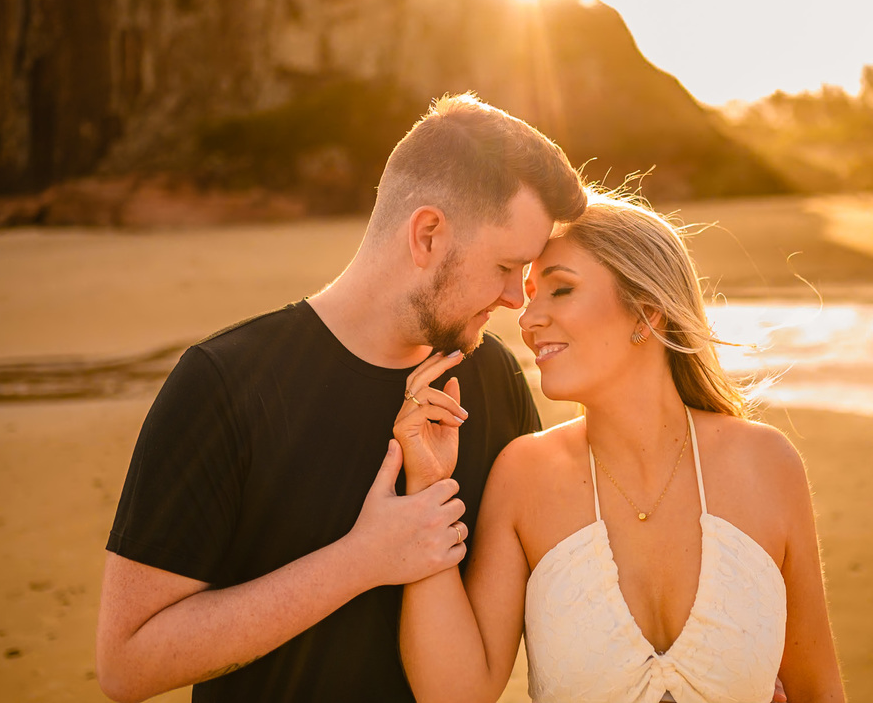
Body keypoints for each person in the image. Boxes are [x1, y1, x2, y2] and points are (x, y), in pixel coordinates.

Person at [94, 93, 587, 702]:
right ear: (428, 234)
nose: (517, 299)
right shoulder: (220, 383)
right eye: (506, 267)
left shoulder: (496, 382)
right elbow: (127, 663)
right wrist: (361, 560)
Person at [396, 192, 845, 702]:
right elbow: (453, 693)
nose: (527, 318)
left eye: (560, 290)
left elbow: (818, 691)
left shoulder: (766, 466)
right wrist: (425, 491)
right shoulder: (525, 476)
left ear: (647, 312)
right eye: (530, 293)